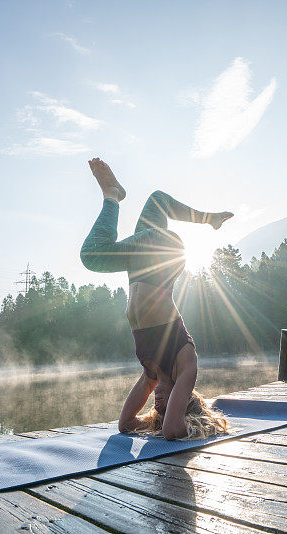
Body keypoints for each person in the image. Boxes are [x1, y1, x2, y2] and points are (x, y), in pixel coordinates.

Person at [80, 157, 234, 440]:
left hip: (141, 269)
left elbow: (125, 424)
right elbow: (173, 430)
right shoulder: (186, 364)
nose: (157, 404)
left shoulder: (151, 373)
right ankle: (112, 195)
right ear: (184, 398)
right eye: (166, 404)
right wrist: (168, 421)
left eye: (157, 408)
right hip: (165, 256)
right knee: (93, 254)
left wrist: (151, 419)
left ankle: (115, 194)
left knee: (157, 200)